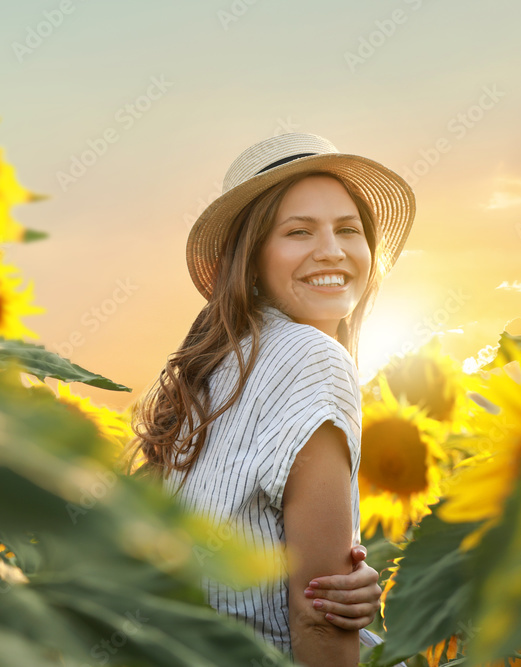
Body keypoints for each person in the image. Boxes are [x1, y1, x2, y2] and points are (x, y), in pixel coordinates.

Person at [123, 133, 415, 665]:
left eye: (348, 229)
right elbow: (319, 616)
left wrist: (342, 582)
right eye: (299, 231)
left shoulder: (215, 369)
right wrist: (338, 593)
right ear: (251, 259)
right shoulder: (313, 359)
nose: (332, 250)